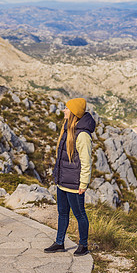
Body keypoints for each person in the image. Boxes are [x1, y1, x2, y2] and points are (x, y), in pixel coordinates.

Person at [44, 98, 96, 256]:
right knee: (62, 213)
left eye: (67, 108)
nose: (64, 111)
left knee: (80, 215)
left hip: (74, 184)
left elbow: (86, 162)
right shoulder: (66, 129)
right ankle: (59, 242)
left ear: (73, 112)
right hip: (62, 182)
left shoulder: (83, 136)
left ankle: (83, 245)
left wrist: (83, 184)